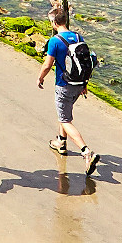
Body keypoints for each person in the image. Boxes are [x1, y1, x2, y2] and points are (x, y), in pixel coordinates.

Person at [38, 22, 95, 157]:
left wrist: (40, 78)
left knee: (65, 120)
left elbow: (47, 65)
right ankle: (61, 143)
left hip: (63, 85)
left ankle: (86, 151)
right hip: (79, 84)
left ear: (54, 23)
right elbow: (85, 63)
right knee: (65, 113)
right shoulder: (78, 37)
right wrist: (85, 85)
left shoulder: (54, 41)